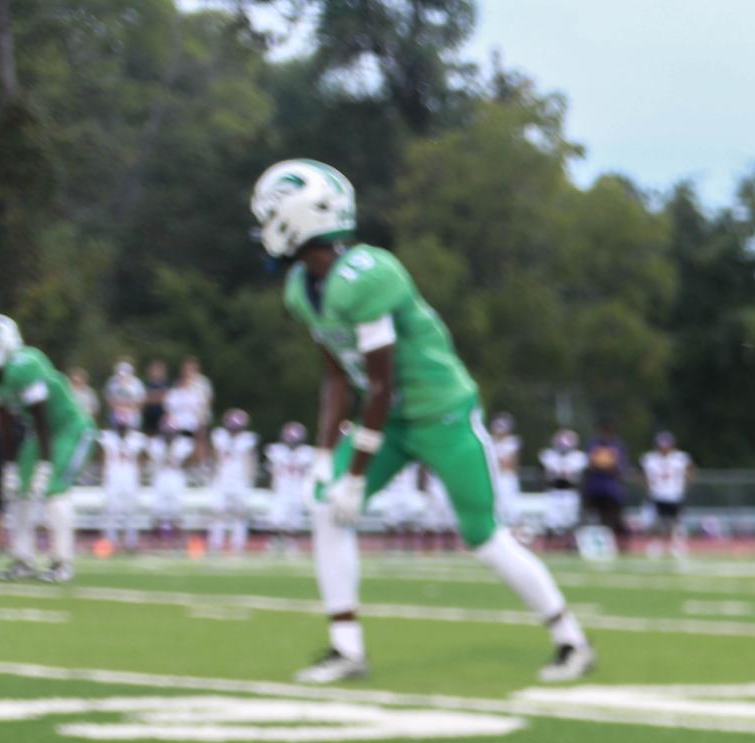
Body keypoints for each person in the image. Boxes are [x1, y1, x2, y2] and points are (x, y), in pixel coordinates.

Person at [248, 158, 594, 684]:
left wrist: (357, 472)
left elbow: (383, 384)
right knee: (326, 510)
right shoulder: (303, 288)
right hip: (388, 421)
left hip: (440, 414)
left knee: (483, 536)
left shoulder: (368, 275)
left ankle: (570, 639)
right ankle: (347, 648)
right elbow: (338, 377)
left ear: (298, 217)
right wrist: (324, 457)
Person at [0, 315, 94, 582]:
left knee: (53, 489)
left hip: (70, 428)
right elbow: (5, 421)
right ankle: (23, 559)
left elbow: (42, 417)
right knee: (18, 490)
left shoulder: (26, 364)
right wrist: (10, 466)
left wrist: (45, 464)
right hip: (41, 433)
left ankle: (61, 562)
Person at [208, 408, 258, 555]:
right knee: (218, 512)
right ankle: (216, 543)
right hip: (222, 478)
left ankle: (238, 544)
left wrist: (249, 479)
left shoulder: (248, 439)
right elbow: (216, 457)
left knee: (240, 514)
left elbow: (250, 460)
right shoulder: (219, 436)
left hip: (239, 479)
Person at [642, 429, 693, 560]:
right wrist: (648, 488)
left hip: (674, 494)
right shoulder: (650, 459)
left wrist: (683, 486)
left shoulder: (680, 458)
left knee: (676, 522)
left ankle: (677, 545)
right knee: (657, 522)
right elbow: (643, 476)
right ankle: (656, 545)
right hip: (657, 494)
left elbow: (690, 472)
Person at [579, 419, 630, 552]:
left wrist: (602, 464)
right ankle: (583, 544)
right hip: (594, 487)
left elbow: (616, 467)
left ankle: (616, 545)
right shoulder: (593, 444)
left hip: (610, 489)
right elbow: (591, 464)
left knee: (612, 518)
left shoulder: (617, 445)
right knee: (589, 516)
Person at [98, 424, 149, 552]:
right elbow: (102, 455)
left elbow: (143, 456)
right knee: (111, 511)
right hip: (113, 476)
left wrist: (139, 473)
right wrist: (103, 474)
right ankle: (110, 542)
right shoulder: (108, 437)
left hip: (129, 476)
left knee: (131, 511)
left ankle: (131, 542)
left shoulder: (136, 439)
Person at [265, 421, 315, 539]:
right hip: (282, 487)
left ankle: (290, 543)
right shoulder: (277, 450)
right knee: (277, 518)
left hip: (297, 488)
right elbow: (273, 472)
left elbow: (309, 473)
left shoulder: (307, 452)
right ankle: (276, 541)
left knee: (293, 520)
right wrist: (272, 487)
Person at [146, 428, 193, 539]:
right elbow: (149, 458)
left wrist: (180, 463)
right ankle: (156, 539)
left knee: (177, 508)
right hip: (161, 478)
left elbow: (190, 460)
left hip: (176, 477)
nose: (169, 437)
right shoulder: (156, 444)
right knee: (158, 508)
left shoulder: (183, 444)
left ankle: (178, 537)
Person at [540, 429, 585, 539]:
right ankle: (552, 544)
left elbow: (571, 475)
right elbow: (550, 474)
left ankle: (568, 543)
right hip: (554, 491)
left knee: (570, 520)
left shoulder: (578, 457)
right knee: (552, 520)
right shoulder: (549, 455)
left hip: (570, 491)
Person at [488, 413, 522, 529]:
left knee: (510, 507)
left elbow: (507, 464)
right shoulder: (489, 442)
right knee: (495, 507)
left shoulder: (512, 442)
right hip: (494, 477)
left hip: (506, 478)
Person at [104, 359, 145, 432]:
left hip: (132, 414)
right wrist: (119, 407)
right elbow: (109, 400)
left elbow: (140, 400)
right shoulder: (112, 382)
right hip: (116, 415)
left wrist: (129, 408)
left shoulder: (137, 383)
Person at [140, 359, 170, 438]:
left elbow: (165, 398)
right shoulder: (146, 383)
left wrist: (152, 396)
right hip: (148, 415)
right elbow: (144, 399)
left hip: (161, 415)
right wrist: (158, 396)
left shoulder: (167, 383)